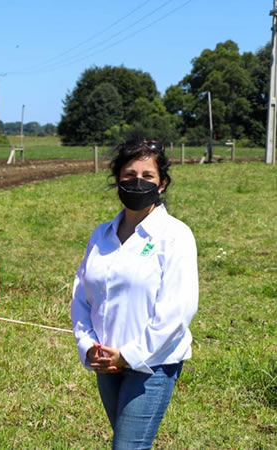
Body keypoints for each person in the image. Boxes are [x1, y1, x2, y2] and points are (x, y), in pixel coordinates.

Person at [70, 139, 198, 449]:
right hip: (106, 361)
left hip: (153, 364)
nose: (137, 182)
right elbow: (81, 296)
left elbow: (177, 312)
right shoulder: (102, 234)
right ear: (117, 180)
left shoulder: (175, 235)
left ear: (162, 183)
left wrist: (129, 356)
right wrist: (88, 346)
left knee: (127, 447)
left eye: (148, 175)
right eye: (128, 175)